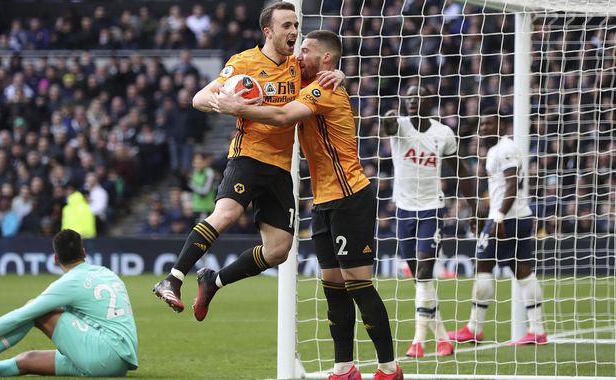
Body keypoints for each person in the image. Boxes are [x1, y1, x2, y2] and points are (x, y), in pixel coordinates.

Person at [211, 30, 403, 380]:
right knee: (332, 288)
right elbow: (279, 86)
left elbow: (284, 117)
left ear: (326, 59)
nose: (298, 55)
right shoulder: (311, 81)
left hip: (350, 196)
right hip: (325, 201)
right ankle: (344, 368)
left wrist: (239, 107)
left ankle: (389, 369)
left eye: (306, 50)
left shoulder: (326, 88)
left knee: (358, 285)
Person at [152, 1, 344, 321]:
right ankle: (172, 278)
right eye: (287, 26)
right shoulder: (244, 63)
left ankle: (214, 281)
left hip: (281, 167)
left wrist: (338, 72)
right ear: (268, 32)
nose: (294, 31)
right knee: (226, 214)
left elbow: (327, 71)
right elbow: (199, 98)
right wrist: (224, 103)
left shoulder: (297, 65)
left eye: (296, 25)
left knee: (279, 250)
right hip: (249, 155)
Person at [0, 229, 138, 378]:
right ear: (84, 252)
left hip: (102, 354)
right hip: (118, 362)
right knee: (28, 360)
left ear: (55, 258)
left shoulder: (70, 281)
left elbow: (19, 316)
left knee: (36, 309)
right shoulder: (107, 273)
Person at [382, 86, 477, 358]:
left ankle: (417, 342)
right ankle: (443, 338)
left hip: (431, 209)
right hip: (403, 211)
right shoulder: (399, 127)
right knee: (420, 280)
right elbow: (388, 126)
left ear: (429, 102)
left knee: (423, 272)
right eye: (408, 97)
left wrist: (475, 208)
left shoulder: (443, 134)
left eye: (418, 96)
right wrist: (389, 116)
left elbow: (461, 170)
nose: (412, 100)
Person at [448, 109, 547, 345]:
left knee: (483, 265)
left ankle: (474, 328)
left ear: (502, 125)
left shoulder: (504, 149)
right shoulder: (497, 149)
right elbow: (502, 189)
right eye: (482, 125)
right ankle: (537, 330)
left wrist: (499, 217)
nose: (483, 128)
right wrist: (481, 213)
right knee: (522, 270)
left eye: (489, 124)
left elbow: (512, 185)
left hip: (507, 219)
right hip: (517, 216)